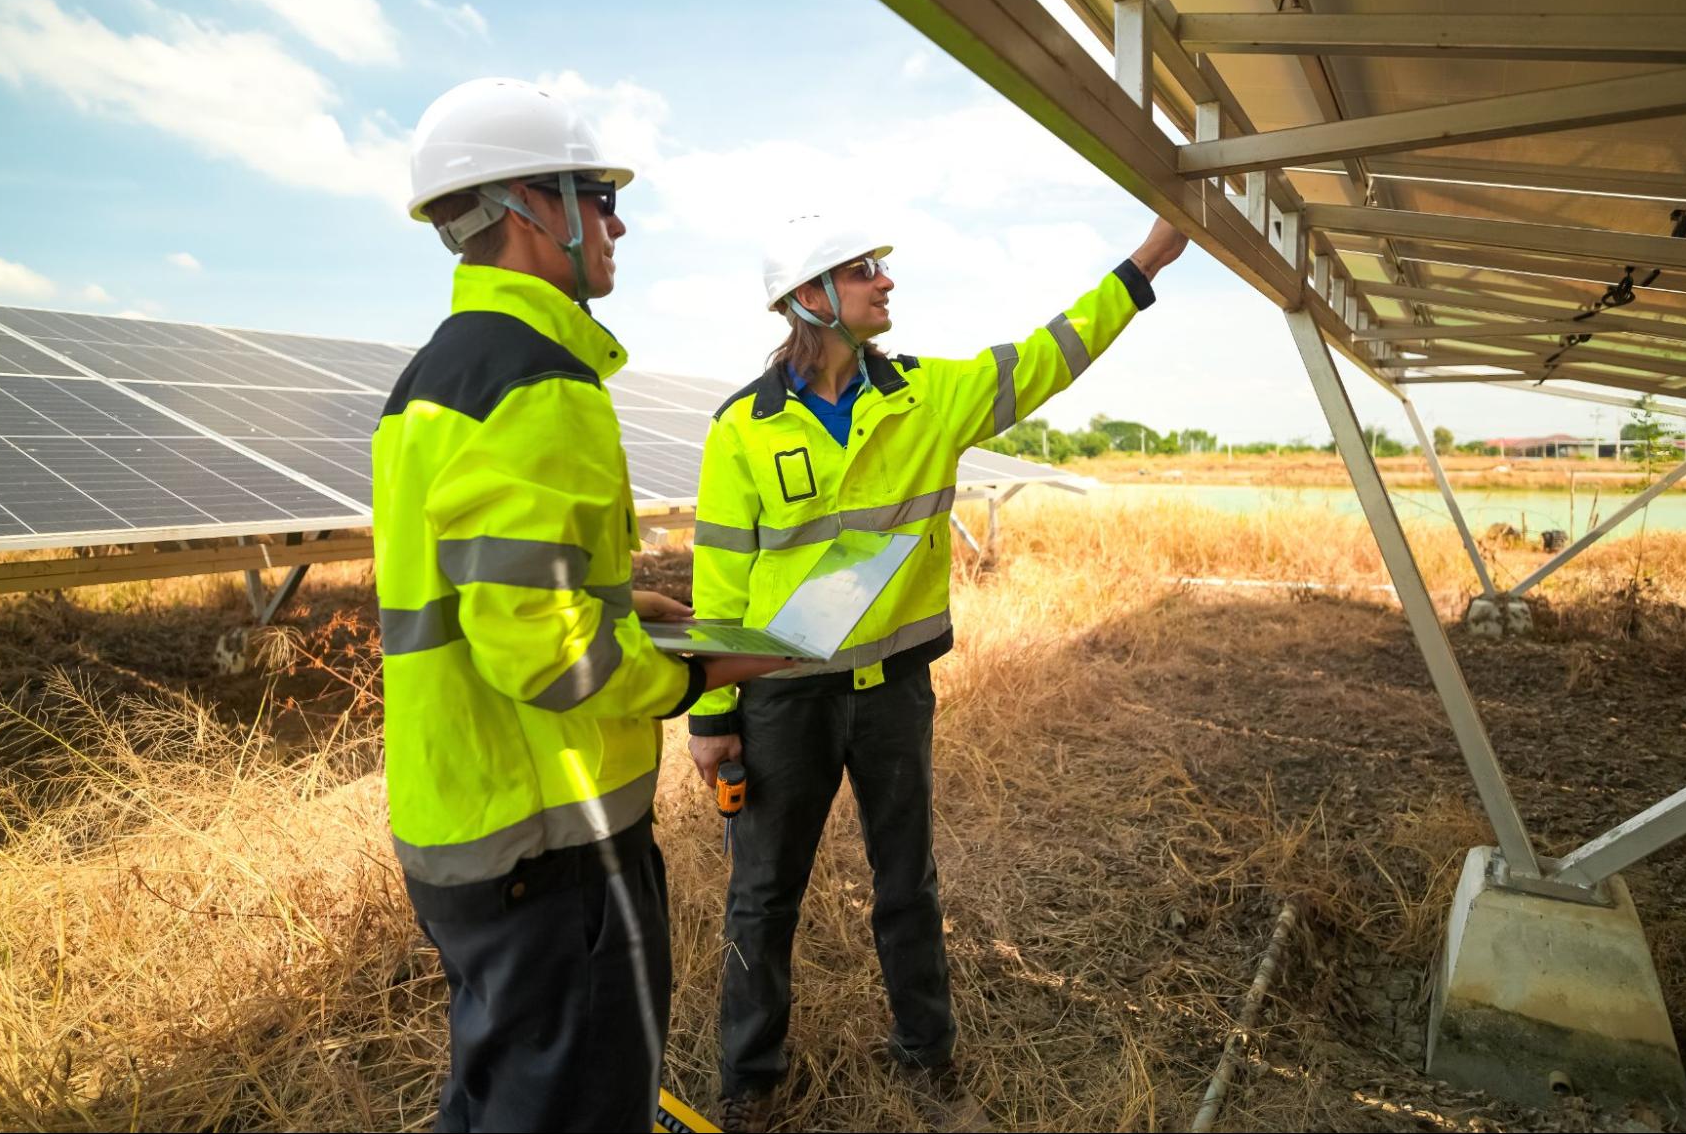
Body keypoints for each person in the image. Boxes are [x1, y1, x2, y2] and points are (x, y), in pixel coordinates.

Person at [686, 213, 1191, 1130]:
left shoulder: (931, 395)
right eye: (863, 270)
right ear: (809, 297)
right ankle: (749, 1083)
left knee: (906, 882)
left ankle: (928, 1054)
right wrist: (711, 713)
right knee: (761, 895)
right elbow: (717, 578)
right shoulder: (741, 430)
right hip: (781, 703)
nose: (886, 282)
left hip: (891, 698)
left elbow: (1049, 354)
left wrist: (1146, 260)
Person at [374, 77, 790, 1133]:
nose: (615, 223)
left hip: (465, 819)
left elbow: (496, 595)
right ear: (529, 206)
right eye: (597, 194)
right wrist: (701, 671)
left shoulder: (435, 377)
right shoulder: (538, 379)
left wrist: (630, 599)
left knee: (499, 1095)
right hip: (550, 845)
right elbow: (552, 658)